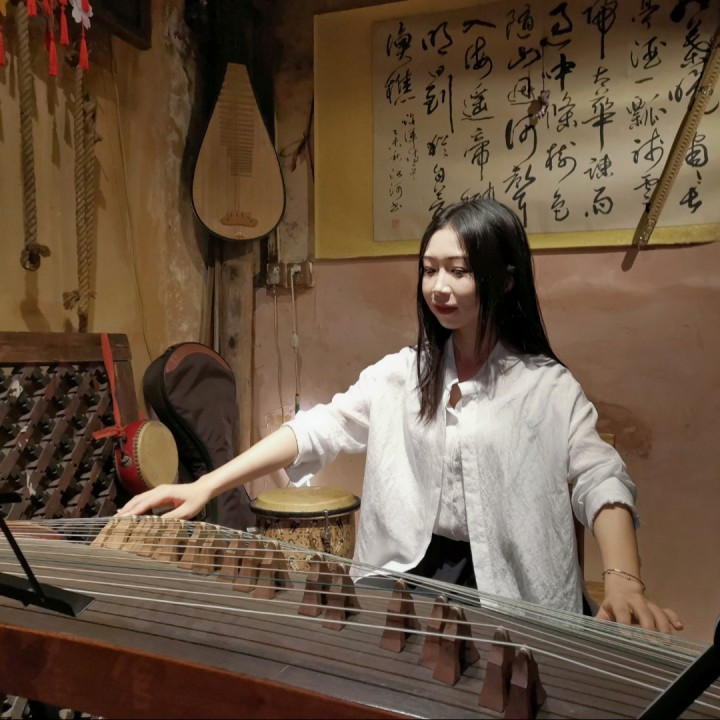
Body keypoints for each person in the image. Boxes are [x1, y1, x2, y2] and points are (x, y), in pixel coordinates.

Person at [118, 198, 682, 633]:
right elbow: (317, 428)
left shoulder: (546, 386)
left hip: (512, 583)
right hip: (410, 575)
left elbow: (600, 475)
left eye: (459, 271)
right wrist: (206, 485)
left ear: (504, 280)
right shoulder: (400, 375)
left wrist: (622, 580)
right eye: (430, 270)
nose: (439, 287)